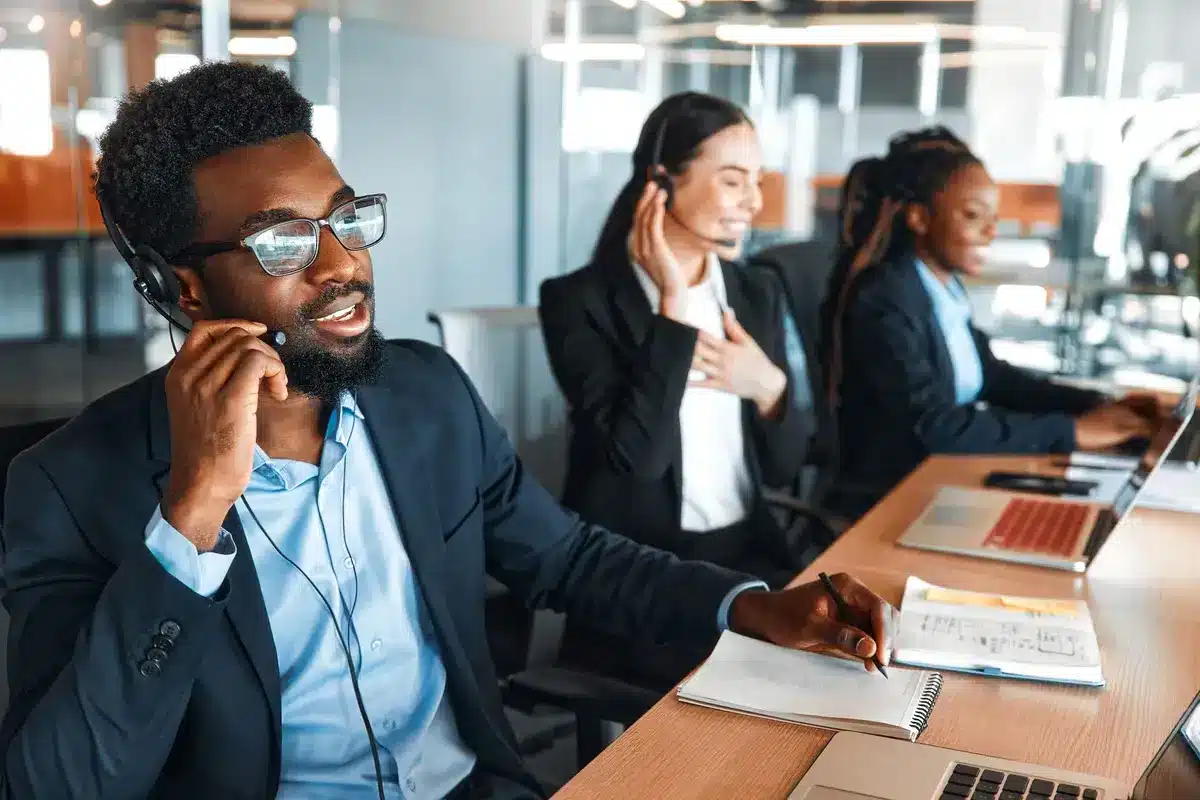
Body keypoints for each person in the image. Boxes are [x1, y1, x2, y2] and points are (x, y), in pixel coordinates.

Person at [0, 63, 895, 800]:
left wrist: (750, 606)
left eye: (348, 218)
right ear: (184, 288)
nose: (344, 263)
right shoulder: (70, 486)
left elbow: (571, 559)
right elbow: (60, 785)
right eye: (283, 244)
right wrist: (191, 516)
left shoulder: (423, 395)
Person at [539, 92, 815, 590]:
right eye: (733, 181)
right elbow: (637, 461)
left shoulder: (756, 292)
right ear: (661, 181)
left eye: (756, 181)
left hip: (748, 557)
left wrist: (768, 386)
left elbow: (783, 469)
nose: (754, 202)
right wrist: (673, 305)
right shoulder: (578, 300)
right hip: (642, 576)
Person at [820, 127, 1159, 516]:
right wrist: (1070, 432)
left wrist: (1095, 405)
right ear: (919, 218)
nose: (990, 231)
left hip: (941, 479)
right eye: (972, 215)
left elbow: (992, 377)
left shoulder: (941, 288)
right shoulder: (884, 298)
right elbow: (932, 425)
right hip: (889, 497)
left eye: (993, 218)